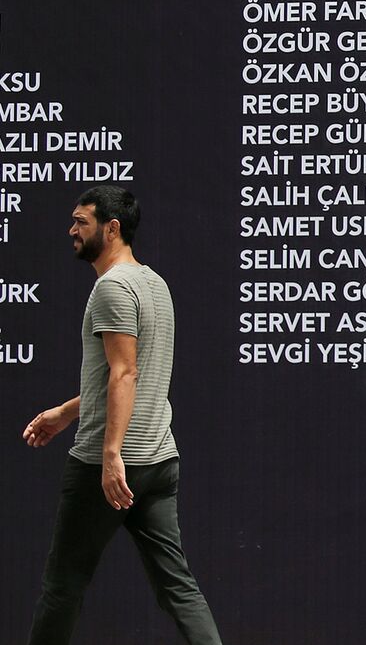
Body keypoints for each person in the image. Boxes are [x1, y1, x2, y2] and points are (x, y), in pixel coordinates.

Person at [20, 185, 224, 645]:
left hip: (107, 467)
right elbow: (132, 376)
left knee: (62, 586)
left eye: (81, 222)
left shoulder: (111, 287)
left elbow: (126, 373)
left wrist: (111, 454)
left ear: (111, 229)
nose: (72, 230)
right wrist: (66, 412)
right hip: (159, 461)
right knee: (178, 588)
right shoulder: (155, 284)